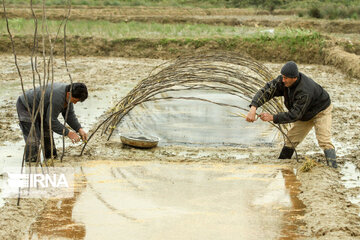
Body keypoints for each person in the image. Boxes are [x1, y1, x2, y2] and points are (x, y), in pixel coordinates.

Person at [245, 61, 337, 168]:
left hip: (321, 110)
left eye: (286, 78)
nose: (283, 80)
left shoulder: (305, 91)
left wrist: (272, 117)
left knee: (324, 140)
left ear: (295, 78)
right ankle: (281, 165)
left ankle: (333, 168)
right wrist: (253, 107)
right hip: (304, 113)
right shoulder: (283, 81)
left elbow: (294, 115)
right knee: (291, 140)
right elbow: (266, 91)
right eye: (282, 77)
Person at [16, 82, 88, 162]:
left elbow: (69, 115)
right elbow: (51, 121)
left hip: (43, 109)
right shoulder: (58, 97)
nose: (74, 103)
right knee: (33, 139)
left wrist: (79, 129)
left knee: (47, 133)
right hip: (26, 106)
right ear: (68, 94)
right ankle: (31, 163)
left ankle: (50, 158)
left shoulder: (68, 97)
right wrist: (68, 133)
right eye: (74, 100)